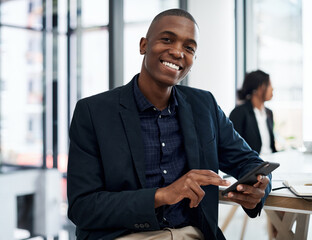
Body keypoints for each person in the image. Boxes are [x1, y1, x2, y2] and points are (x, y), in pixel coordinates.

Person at [67, 9, 271, 240]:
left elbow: (251, 162)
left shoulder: (204, 105)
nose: (177, 52)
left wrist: (258, 187)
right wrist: (162, 195)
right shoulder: (94, 112)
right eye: (167, 40)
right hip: (124, 235)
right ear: (144, 45)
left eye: (189, 48)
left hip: (193, 234)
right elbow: (82, 207)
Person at [229, 70, 277, 155]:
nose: (272, 88)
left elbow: (272, 147)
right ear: (257, 89)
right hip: (252, 165)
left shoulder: (269, 113)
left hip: (270, 163)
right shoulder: (239, 113)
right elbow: (234, 148)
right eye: (268, 84)